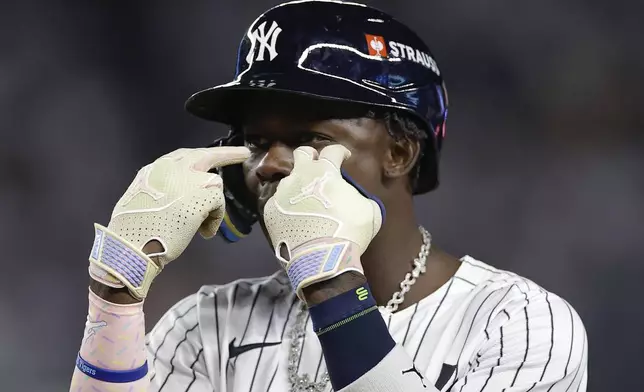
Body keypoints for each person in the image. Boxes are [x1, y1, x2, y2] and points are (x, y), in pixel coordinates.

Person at [69, 1, 588, 391]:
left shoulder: (518, 322)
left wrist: (333, 286)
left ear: (400, 154)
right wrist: (115, 295)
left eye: (308, 139)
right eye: (254, 141)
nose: (270, 163)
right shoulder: (203, 324)